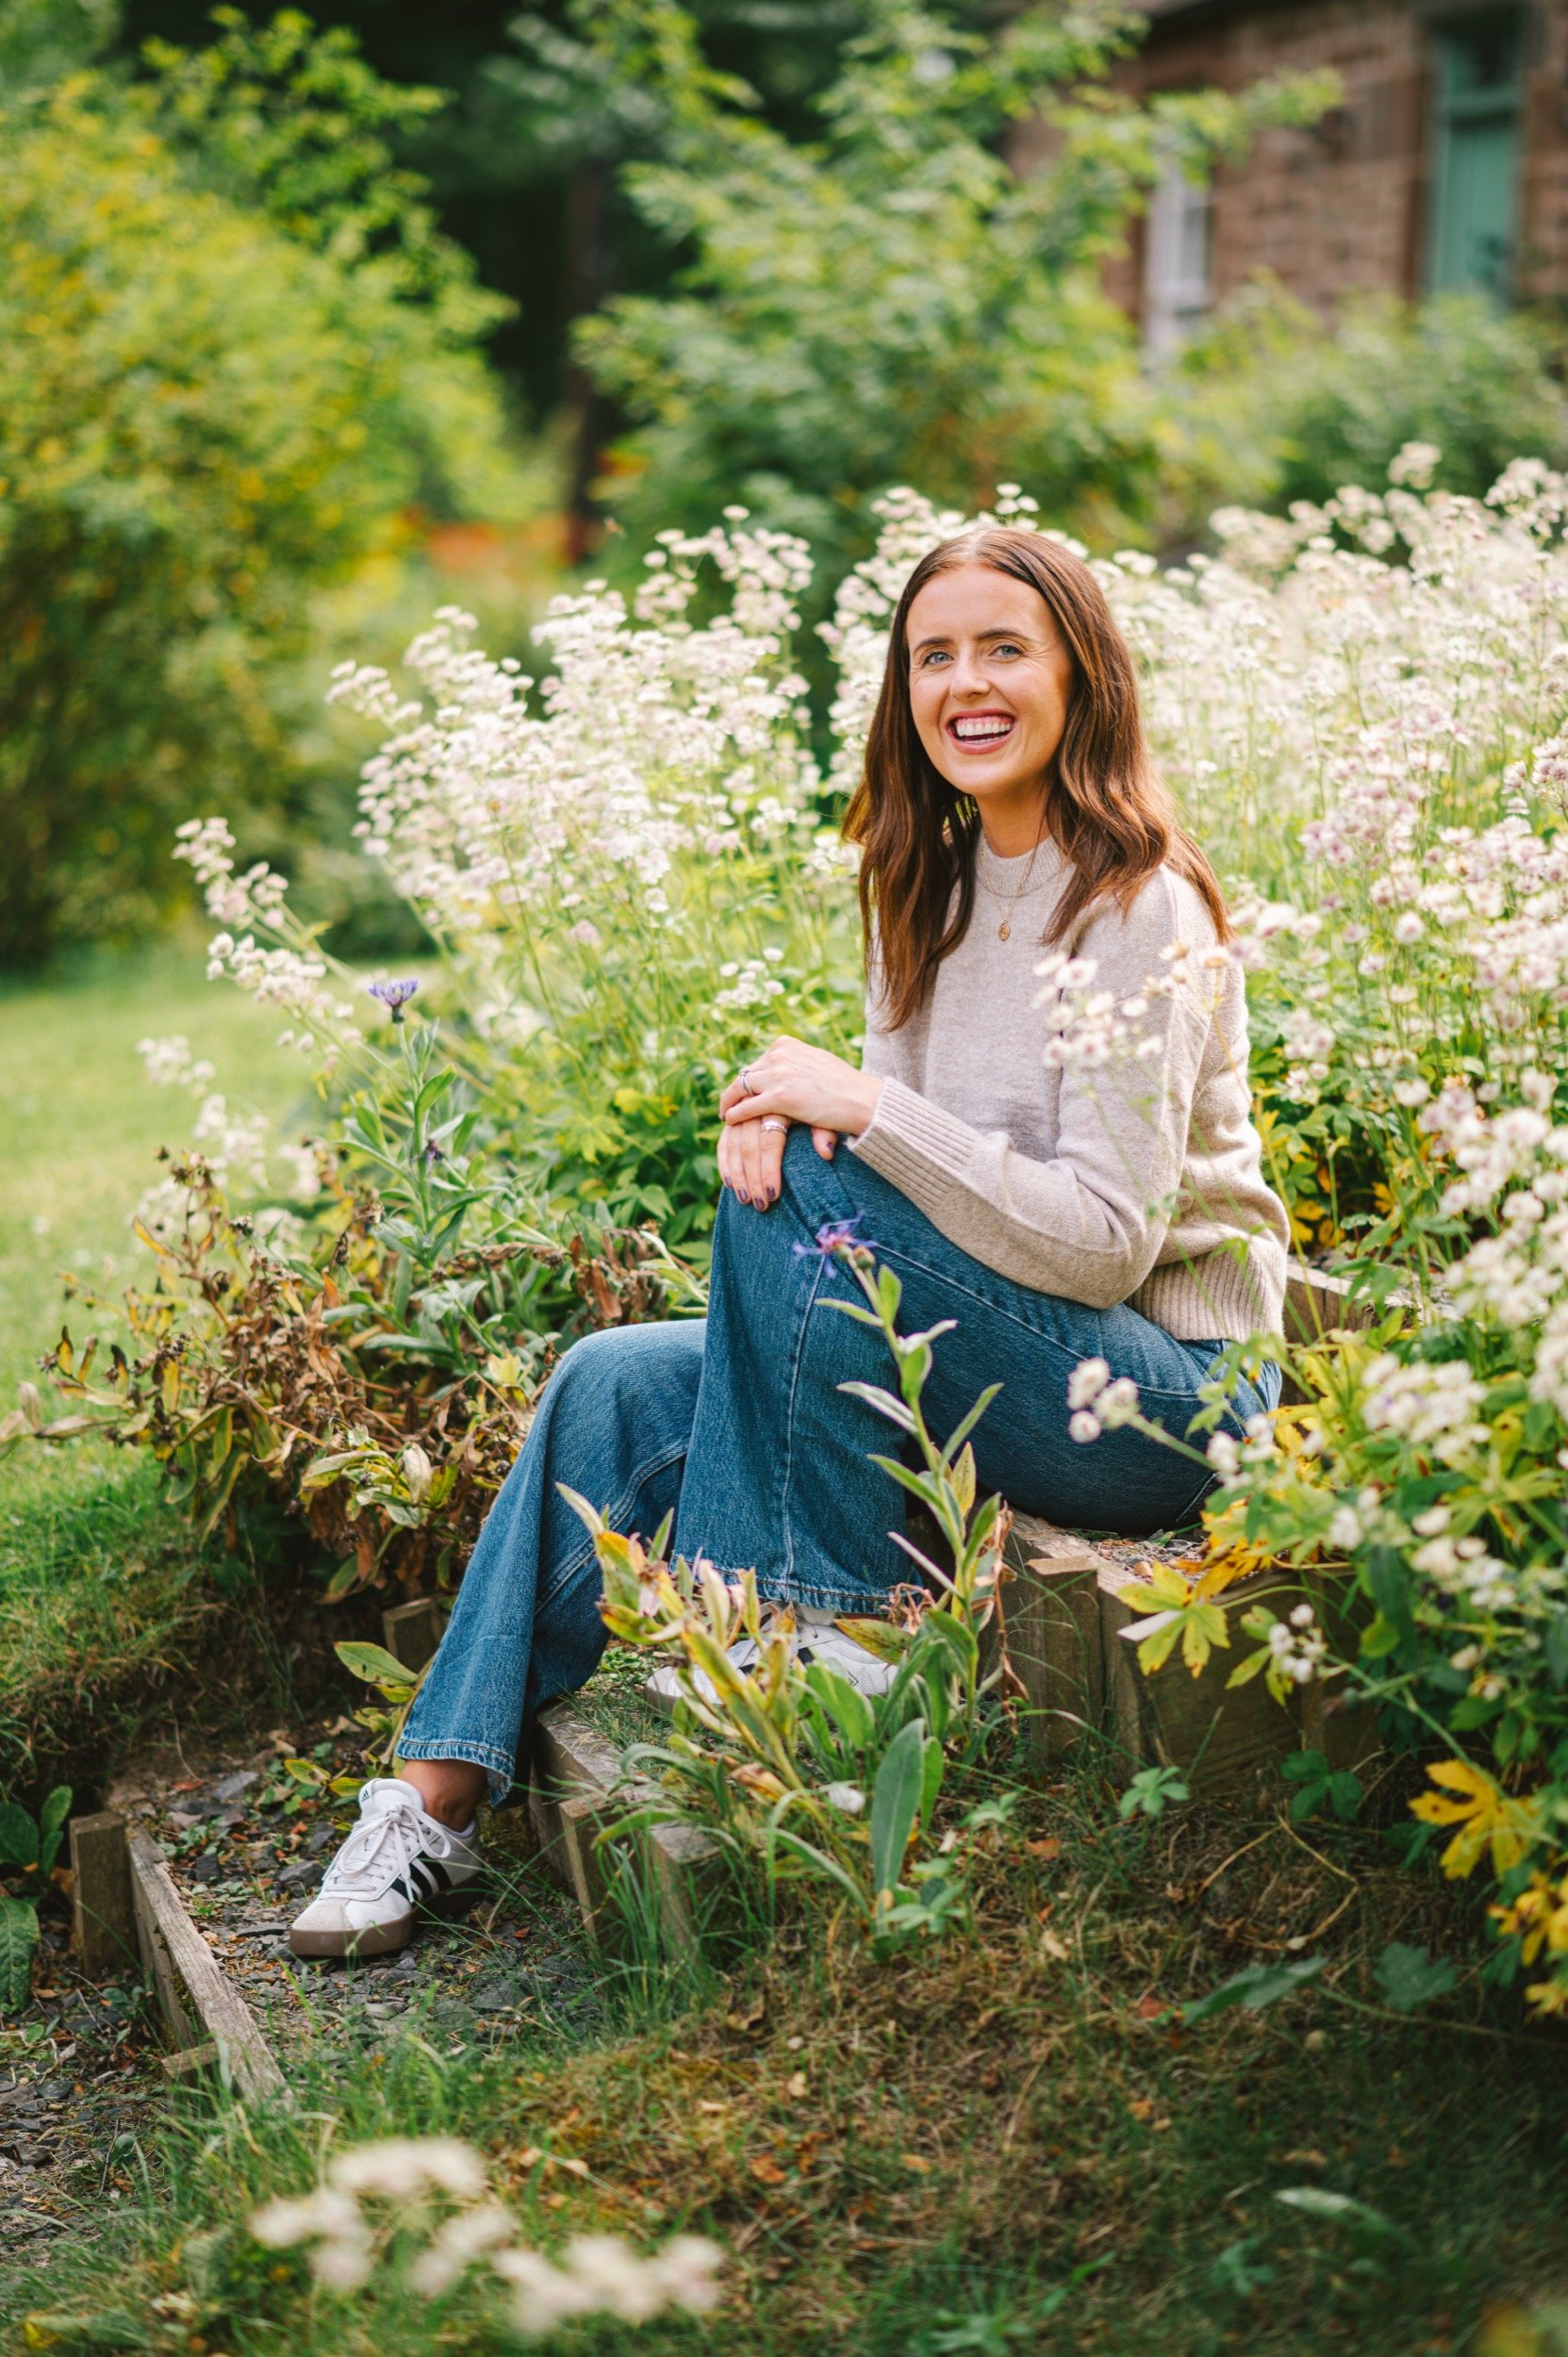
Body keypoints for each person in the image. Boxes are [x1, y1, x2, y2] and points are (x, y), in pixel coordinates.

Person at [289, 525, 1291, 1960]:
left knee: (816, 1153)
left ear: (1084, 673)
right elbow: (882, 1202)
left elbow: (1106, 1248)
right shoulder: (923, 894)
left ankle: (824, 1631)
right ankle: (429, 1807)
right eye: (932, 656)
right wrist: (784, 1115)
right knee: (610, 1383)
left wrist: (856, 1114)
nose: (965, 684)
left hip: (1166, 1398)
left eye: (1004, 647)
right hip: (998, 1356)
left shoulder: (1142, 905)